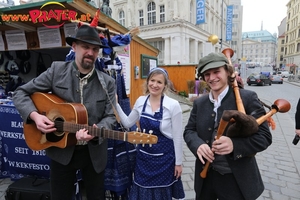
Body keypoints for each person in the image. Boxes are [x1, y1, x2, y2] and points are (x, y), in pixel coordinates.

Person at [12, 25, 117, 200]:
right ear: (74, 47)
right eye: (85, 47)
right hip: (61, 151)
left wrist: (97, 130)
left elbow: (111, 116)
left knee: (96, 196)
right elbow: (20, 93)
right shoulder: (56, 71)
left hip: (93, 153)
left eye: (94, 49)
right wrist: (35, 116)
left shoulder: (108, 82)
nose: (90, 52)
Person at [183, 52, 272, 200]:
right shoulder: (200, 103)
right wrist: (198, 145)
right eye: (207, 74)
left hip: (236, 180)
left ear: (227, 71)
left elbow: (264, 137)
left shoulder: (247, 98)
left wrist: (234, 145)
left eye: (216, 72)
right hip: (205, 179)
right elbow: (189, 131)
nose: (212, 78)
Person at [115, 67, 185, 200]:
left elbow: (177, 137)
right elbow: (128, 123)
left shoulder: (173, 105)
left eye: (159, 82)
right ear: (147, 82)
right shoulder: (141, 101)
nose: (155, 85)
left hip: (165, 160)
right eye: (152, 80)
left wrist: (178, 163)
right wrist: (116, 104)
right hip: (143, 159)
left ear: (165, 85)